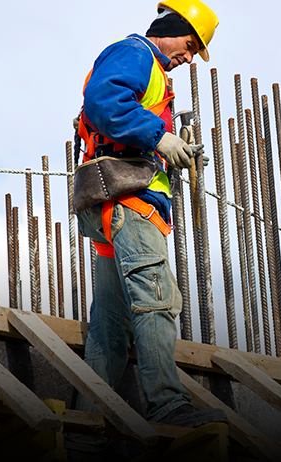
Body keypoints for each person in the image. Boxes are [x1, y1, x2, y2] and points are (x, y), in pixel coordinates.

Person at [72, 0, 223, 428]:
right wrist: (160, 138)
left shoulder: (152, 73)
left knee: (109, 326)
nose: (189, 57)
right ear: (170, 27)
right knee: (156, 300)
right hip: (130, 204)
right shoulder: (136, 53)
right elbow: (105, 101)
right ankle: (168, 405)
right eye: (190, 45)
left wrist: (171, 150)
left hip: (116, 206)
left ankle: (87, 429)